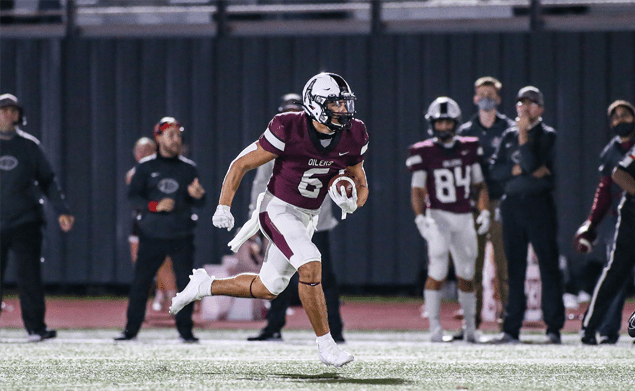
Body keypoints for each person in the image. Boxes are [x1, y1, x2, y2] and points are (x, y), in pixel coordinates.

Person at [170, 72, 368, 367]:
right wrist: (224, 207)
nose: (343, 110)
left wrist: (352, 201)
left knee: (269, 287)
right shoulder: (288, 127)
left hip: (308, 218)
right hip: (277, 208)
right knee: (311, 262)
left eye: (344, 103)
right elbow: (240, 164)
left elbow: (360, 182)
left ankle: (204, 285)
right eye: (335, 103)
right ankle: (327, 344)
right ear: (315, 104)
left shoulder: (355, 134)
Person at [246, 93, 345, 343]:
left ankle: (335, 330)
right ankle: (273, 327)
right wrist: (256, 222)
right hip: (285, 220)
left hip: (316, 221)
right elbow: (260, 183)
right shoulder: (275, 141)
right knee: (279, 275)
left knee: (325, 277)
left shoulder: (326, 138)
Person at [406, 97, 490, 343]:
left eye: (447, 122)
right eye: (439, 122)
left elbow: (479, 184)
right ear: (432, 124)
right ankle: (434, 328)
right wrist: (420, 217)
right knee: (438, 269)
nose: (443, 127)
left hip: (464, 216)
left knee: (467, 272)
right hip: (439, 216)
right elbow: (418, 190)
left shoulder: (469, 147)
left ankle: (471, 329)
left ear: (456, 123)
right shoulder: (423, 151)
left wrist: (484, 210)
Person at [115, 117, 206, 342]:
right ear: (159, 138)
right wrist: (155, 206)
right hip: (152, 235)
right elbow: (133, 197)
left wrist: (198, 196)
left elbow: (200, 202)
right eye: (171, 135)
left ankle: (186, 331)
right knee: (141, 283)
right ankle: (131, 330)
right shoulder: (145, 167)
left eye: (178, 135)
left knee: (185, 285)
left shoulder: (188, 168)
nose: (176, 139)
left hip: (181, 235)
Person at [489, 86, 565, 344]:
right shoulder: (507, 136)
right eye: (522, 101)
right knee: (514, 268)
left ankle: (553, 328)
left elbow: (533, 165)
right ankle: (511, 329)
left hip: (539, 204)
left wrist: (523, 138)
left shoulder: (547, 136)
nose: (526, 106)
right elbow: (496, 172)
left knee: (548, 266)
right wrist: (518, 169)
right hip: (512, 205)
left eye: (532, 102)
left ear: (540, 108)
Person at [0, 93, 74, 342]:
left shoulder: (29, 146)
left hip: (25, 221)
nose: (9, 115)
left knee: (29, 277)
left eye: (14, 110)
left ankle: (36, 328)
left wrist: (62, 209)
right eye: (4, 110)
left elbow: (48, 181)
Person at [455, 76, 514, 339]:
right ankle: (471, 324)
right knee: (472, 265)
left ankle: (508, 325)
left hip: (502, 199)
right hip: (474, 202)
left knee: (505, 266)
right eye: (482, 94)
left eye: (491, 93)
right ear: (475, 98)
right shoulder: (467, 131)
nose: (486, 98)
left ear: (498, 99)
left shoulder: (509, 129)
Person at [574, 100, 635, 345]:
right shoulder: (615, 151)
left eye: (625, 115)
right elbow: (617, 174)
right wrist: (592, 222)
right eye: (616, 116)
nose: (621, 120)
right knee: (615, 272)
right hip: (629, 215)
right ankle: (592, 327)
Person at [126, 137, 178, 313]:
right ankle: (158, 294)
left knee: (163, 261)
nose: (142, 154)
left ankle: (172, 295)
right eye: (139, 150)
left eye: (147, 150)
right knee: (140, 263)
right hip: (140, 223)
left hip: (159, 223)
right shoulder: (134, 172)